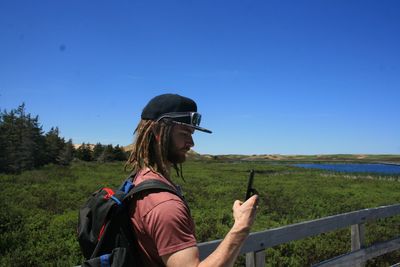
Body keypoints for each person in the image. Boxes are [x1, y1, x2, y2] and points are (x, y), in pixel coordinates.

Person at [125, 93, 259, 267]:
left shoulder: (140, 179)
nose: (191, 142)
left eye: (192, 133)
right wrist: (242, 226)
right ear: (158, 131)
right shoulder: (165, 205)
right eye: (184, 133)